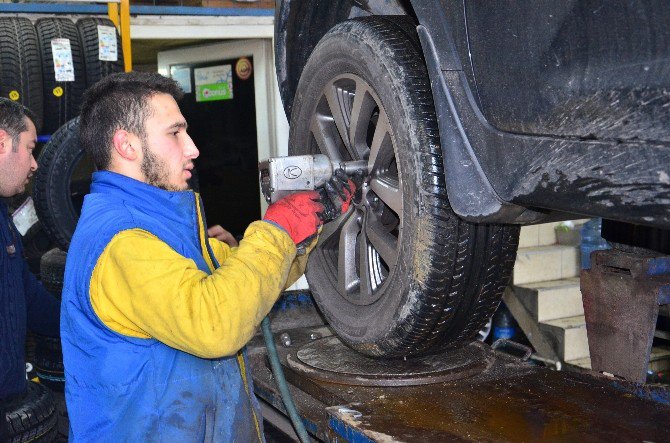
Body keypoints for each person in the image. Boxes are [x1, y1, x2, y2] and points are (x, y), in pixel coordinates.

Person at [60, 71, 356, 441]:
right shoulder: (122, 242)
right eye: (175, 133)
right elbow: (216, 323)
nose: (192, 148)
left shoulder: (159, 225)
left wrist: (303, 229)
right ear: (127, 145)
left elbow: (236, 277)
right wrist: (277, 228)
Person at [0, 99, 60, 408]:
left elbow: (29, 296)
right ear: (2, 142)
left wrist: (90, 322)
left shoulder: (3, 219)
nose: (34, 164)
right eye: (29, 148)